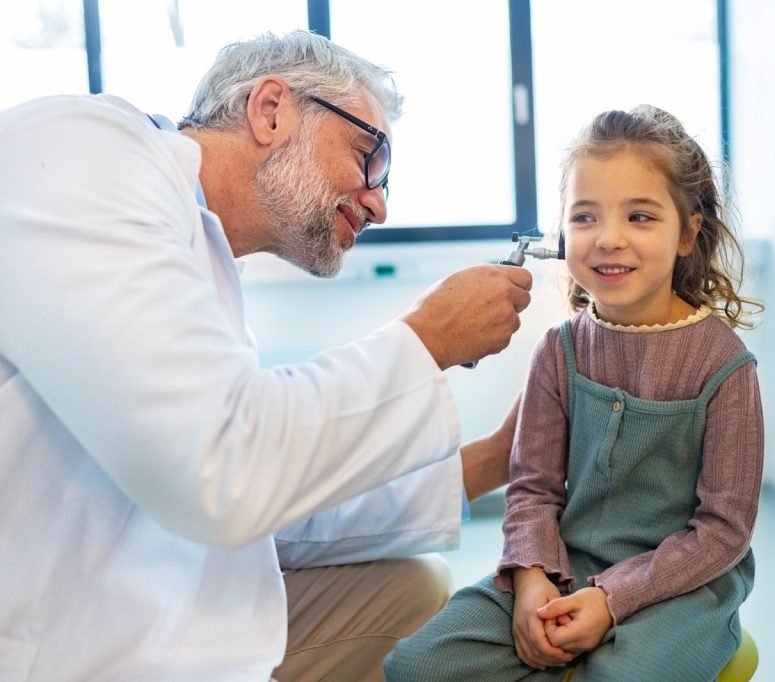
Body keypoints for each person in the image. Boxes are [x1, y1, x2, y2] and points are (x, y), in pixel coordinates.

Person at [0, 30, 530, 681]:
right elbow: (220, 468)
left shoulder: (199, 260)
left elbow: (280, 507)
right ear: (271, 110)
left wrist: (498, 459)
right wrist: (427, 339)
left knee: (411, 584)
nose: (380, 204)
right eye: (371, 156)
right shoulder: (85, 154)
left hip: (136, 592)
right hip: (54, 640)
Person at [384, 105, 765, 681]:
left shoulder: (725, 366)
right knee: (418, 665)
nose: (609, 239)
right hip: (566, 565)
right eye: (585, 217)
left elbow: (723, 531)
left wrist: (612, 599)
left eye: (640, 216)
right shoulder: (558, 352)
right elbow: (533, 486)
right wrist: (534, 574)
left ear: (689, 231)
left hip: (683, 588)